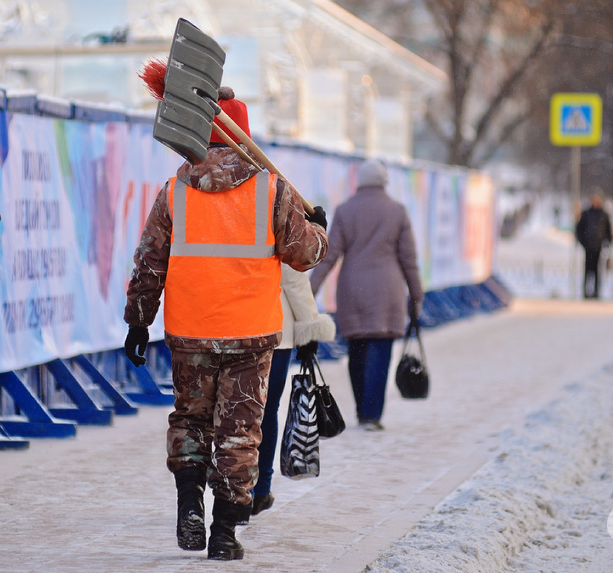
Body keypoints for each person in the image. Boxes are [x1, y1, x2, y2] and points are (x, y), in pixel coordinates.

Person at [123, 87, 328, 560]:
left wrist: (138, 322)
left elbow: (149, 263)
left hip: (190, 331)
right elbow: (304, 255)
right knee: (240, 431)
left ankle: (189, 503)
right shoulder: (272, 191)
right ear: (244, 137)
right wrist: (319, 226)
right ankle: (224, 532)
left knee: (191, 420)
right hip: (250, 335)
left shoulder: (174, 191)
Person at [310, 160, 422, 432]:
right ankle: (371, 415)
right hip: (388, 292)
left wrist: (309, 289)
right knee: (381, 353)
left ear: (360, 181)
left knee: (357, 352)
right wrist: (416, 296)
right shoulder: (397, 212)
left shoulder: (345, 210)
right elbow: (409, 260)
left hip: (353, 291)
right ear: (384, 181)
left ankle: (362, 409)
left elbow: (329, 255)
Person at [251, 264, 336, 517]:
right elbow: (292, 277)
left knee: (235, 410)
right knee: (267, 410)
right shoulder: (279, 221)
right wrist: (309, 326)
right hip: (276, 326)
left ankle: (236, 490)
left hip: (233, 323)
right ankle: (260, 490)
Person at [575, 192, 613, 299]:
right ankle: (586, 292)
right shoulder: (586, 213)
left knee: (597, 271)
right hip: (588, 247)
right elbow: (579, 229)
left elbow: (608, 231)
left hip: (598, 247)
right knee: (587, 270)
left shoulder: (604, 215)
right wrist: (583, 242)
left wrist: (608, 243)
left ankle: (596, 292)